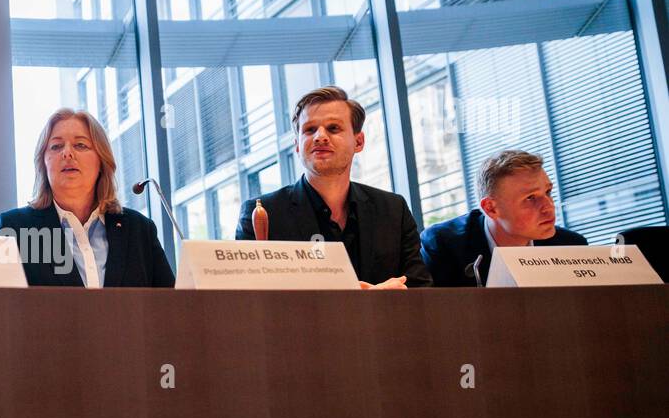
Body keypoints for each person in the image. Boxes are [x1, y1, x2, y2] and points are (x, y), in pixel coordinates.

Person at [235, 86, 431, 289]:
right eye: (309, 130)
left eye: (333, 128)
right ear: (297, 145)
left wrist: (387, 300)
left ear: (359, 141)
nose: (320, 136)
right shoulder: (262, 214)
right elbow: (249, 301)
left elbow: (421, 289)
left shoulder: (393, 209)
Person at [0, 108, 173, 288]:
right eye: (56, 146)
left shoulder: (139, 230)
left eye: (80, 145)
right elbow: (2, 309)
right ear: (43, 163)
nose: (67, 153)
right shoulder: (15, 228)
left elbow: (173, 307)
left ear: (102, 161)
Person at [420, 149, 587, 287]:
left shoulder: (571, 246)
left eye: (548, 192)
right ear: (491, 208)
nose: (549, 206)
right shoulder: (443, 246)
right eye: (530, 198)